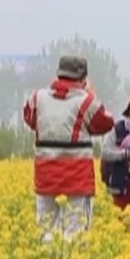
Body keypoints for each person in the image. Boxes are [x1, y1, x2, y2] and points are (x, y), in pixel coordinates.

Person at [22, 56, 115, 241]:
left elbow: (30, 119)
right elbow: (105, 123)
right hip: (77, 177)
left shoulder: (37, 98)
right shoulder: (86, 101)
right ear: (83, 78)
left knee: (45, 230)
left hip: (46, 175)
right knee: (76, 232)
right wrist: (92, 95)